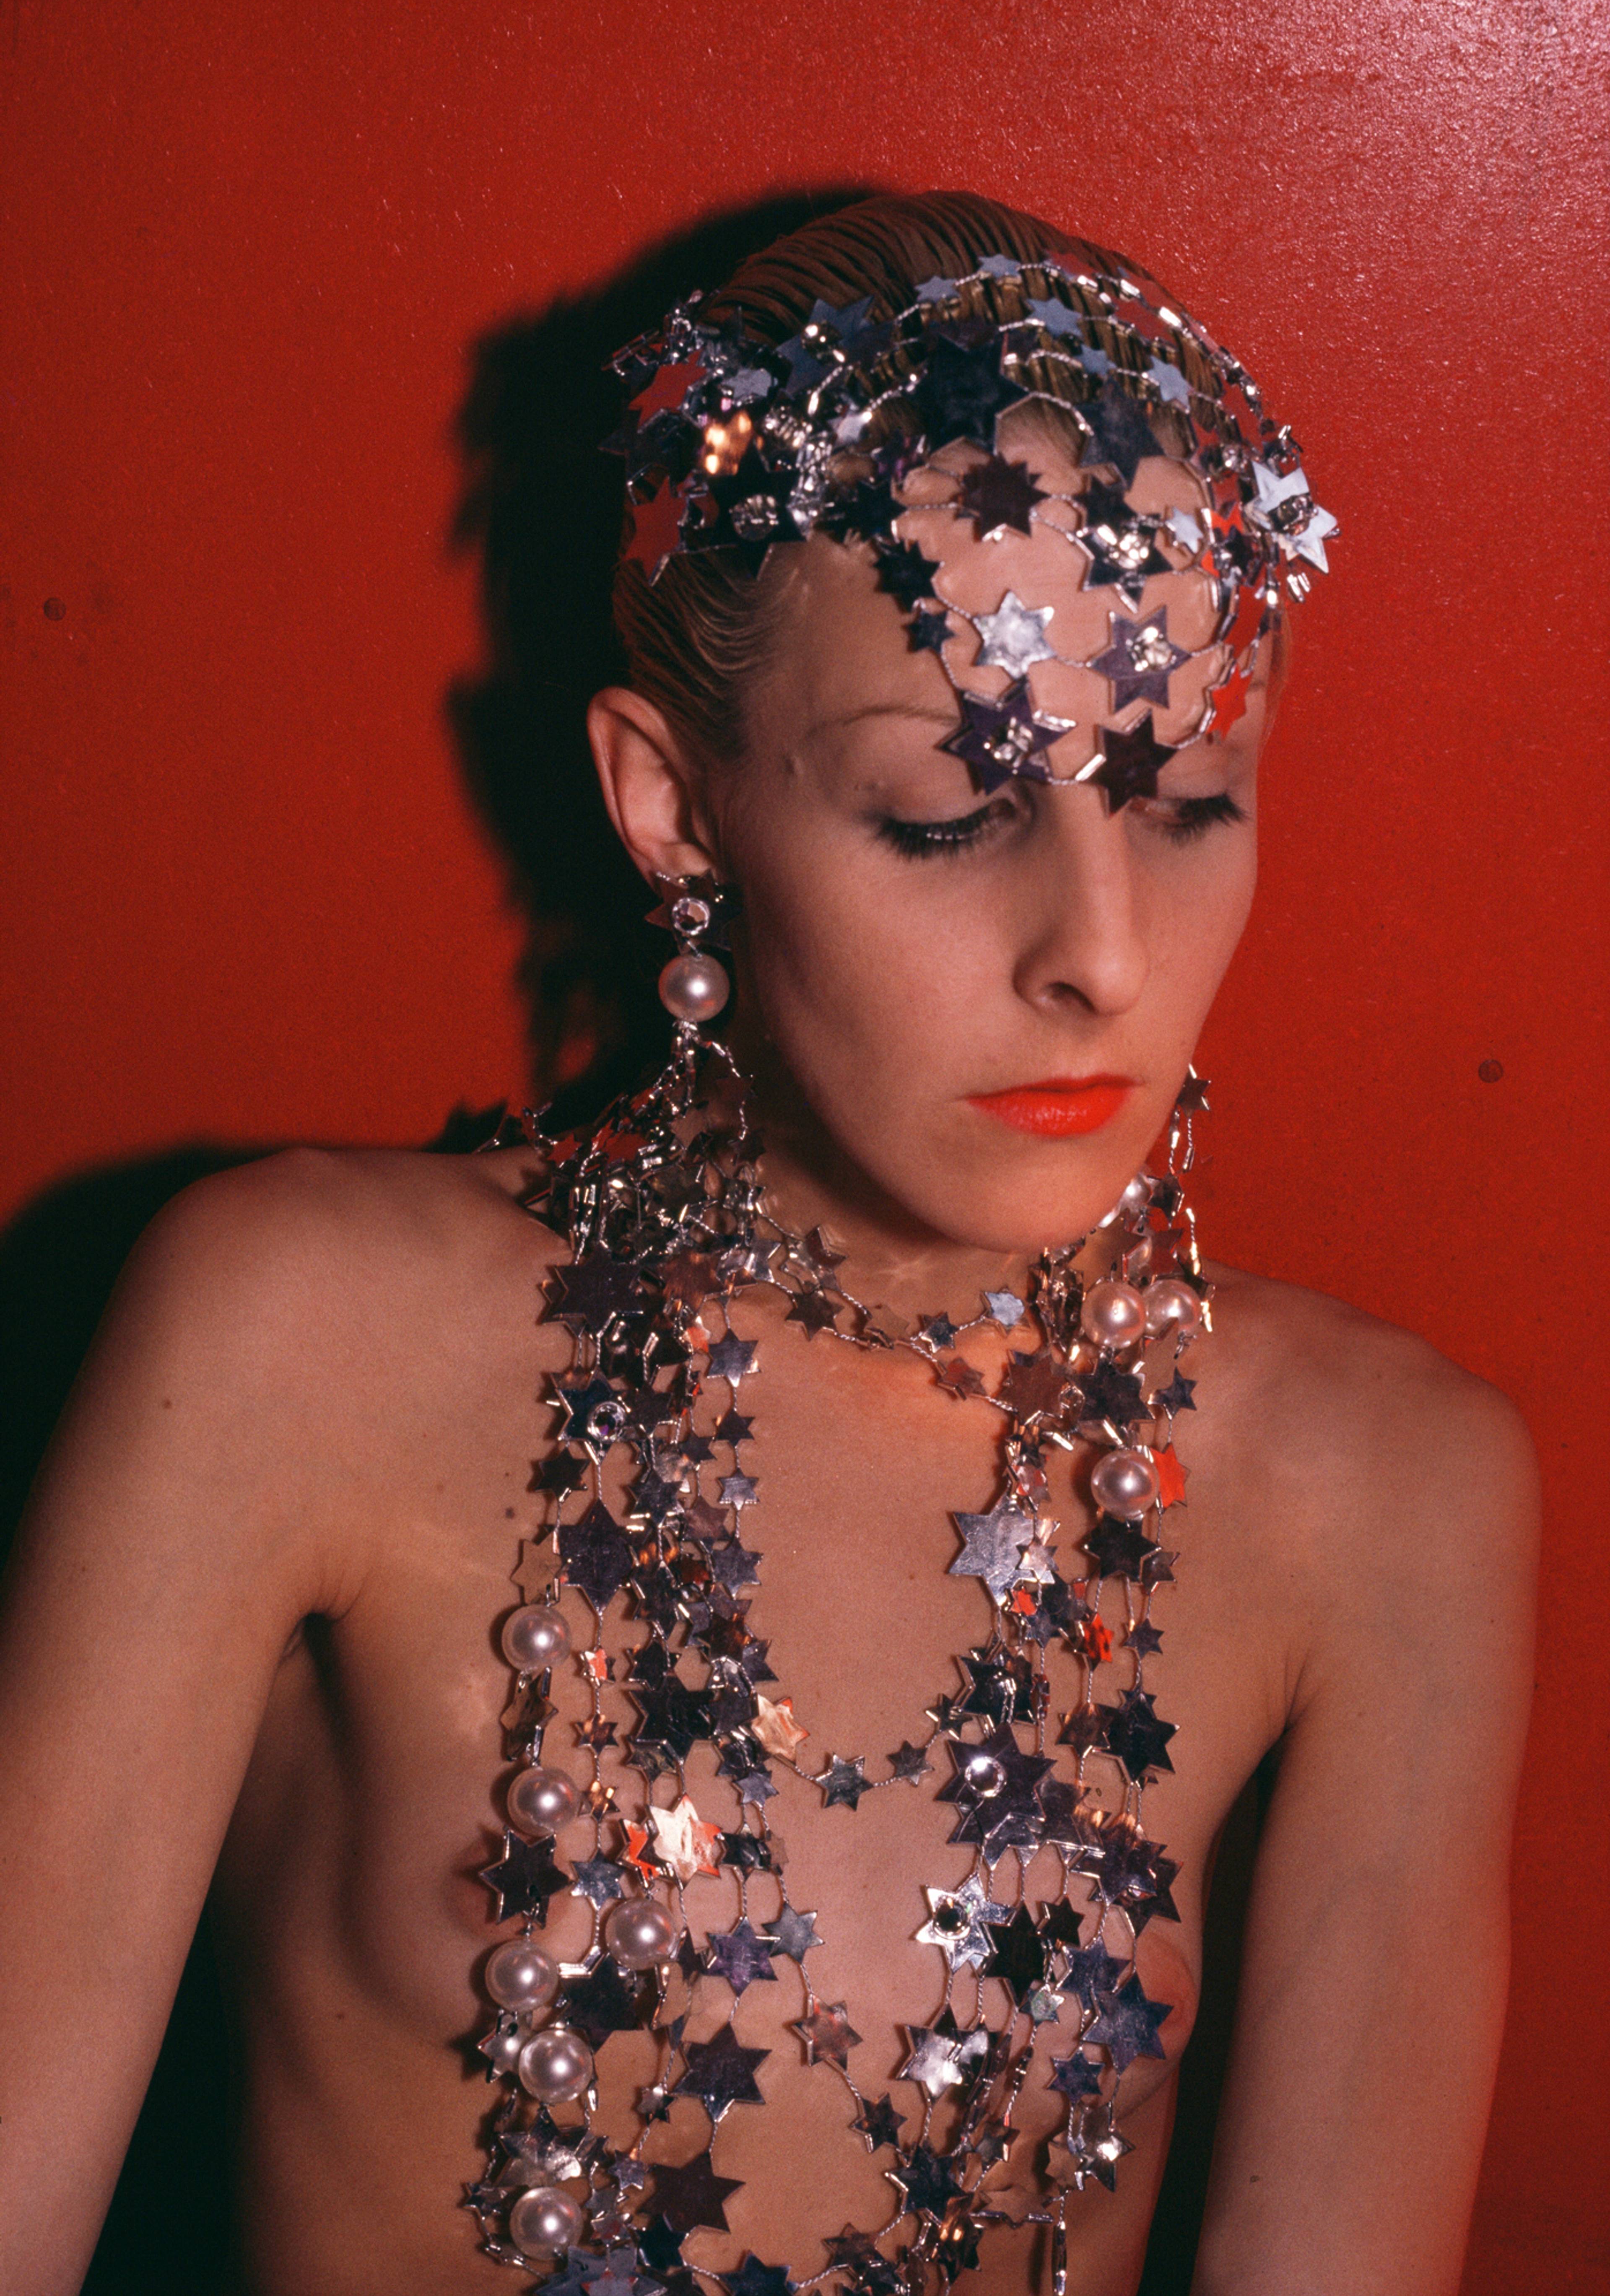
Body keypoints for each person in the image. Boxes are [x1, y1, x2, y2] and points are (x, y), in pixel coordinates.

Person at [0, 191, 1537, 2296]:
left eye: (1187, 796)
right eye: (945, 809)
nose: (1102, 954)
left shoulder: (1385, 1491)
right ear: (672, 806)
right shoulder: (295, 1337)